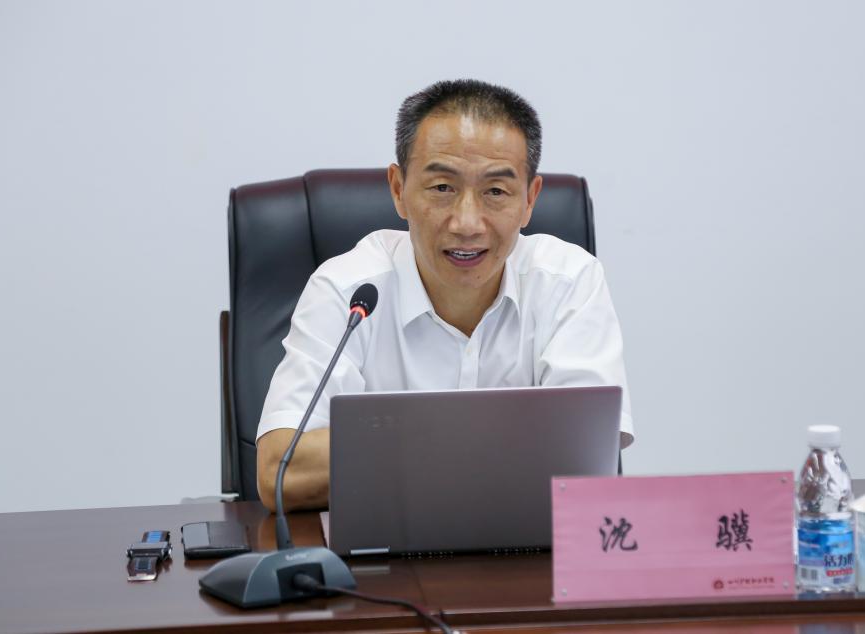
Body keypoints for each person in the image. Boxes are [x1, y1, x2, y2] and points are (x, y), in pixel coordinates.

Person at [255, 79, 633, 511]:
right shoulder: (348, 291)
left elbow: (584, 462)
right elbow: (280, 471)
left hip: (528, 550)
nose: (467, 223)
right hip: (381, 552)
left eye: (495, 191)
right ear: (398, 189)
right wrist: (492, 445)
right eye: (442, 188)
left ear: (530, 199)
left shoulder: (569, 282)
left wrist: (395, 445)